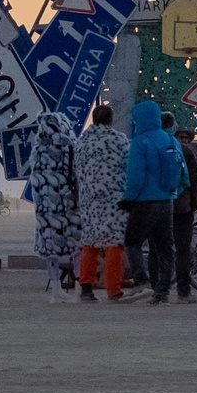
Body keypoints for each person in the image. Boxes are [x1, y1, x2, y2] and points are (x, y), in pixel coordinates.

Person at [117, 99, 187, 308]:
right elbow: (183, 176)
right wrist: (171, 193)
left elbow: (136, 176)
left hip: (145, 202)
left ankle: (142, 281)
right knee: (165, 247)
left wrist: (129, 198)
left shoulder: (140, 141)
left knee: (133, 241)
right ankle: (162, 293)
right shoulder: (171, 140)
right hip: (167, 202)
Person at [74, 102, 129, 302]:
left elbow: (76, 169)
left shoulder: (81, 142)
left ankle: (86, 287)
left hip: (89, 199)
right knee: (113, 243)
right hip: (113, 199)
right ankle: (113, 289)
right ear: (110, 120)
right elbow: (128, 166)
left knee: (89, 242)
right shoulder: (119, 140)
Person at [25, 111, 81, 304]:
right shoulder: (68, 146)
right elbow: (75, 175)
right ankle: (79, 288)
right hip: (67, 204)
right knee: (76, 245)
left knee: (50, 246)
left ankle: (56, 289)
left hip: (45, 208)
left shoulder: (38, 150)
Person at [169, 123, 197, 304]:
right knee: (183, 250)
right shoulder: (188, 153)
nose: (184, 140)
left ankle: (160, 290)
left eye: (186, 137)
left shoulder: (159, 147)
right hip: (183, 207)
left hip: (163, 205)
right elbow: (196, 180)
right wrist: (195, 203)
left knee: (163, 249)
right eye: (181, 137)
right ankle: (183, 291)